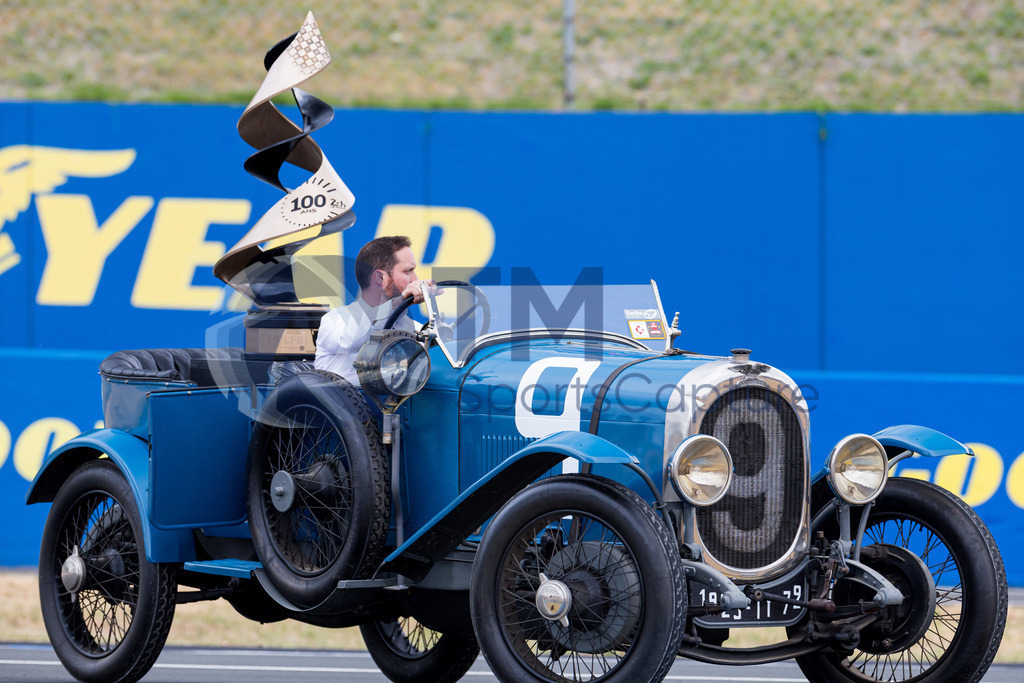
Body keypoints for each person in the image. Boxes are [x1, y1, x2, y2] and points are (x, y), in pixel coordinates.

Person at [314, 235, 425, 385]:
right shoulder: (335, 320)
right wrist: (398, 302)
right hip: (342, 406)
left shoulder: (414, 328)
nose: (415, 279)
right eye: (408, 271)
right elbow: (354, 340)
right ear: (379, 278)